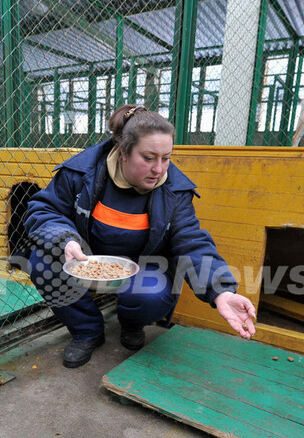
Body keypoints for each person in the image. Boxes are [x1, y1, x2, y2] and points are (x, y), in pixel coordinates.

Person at [22, 104, 256, 368]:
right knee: (41, 261)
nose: (159, 169)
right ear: (123, 152)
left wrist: (220, 291)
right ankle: (87, 330)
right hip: (85, 261)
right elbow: (43, 208)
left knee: (151, 293)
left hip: (144, 269)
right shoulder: (80, 172)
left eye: (166, 158)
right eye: (148, 158)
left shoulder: (175, 191)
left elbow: (191, 241)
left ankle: (132, 325)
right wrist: (66, 239)